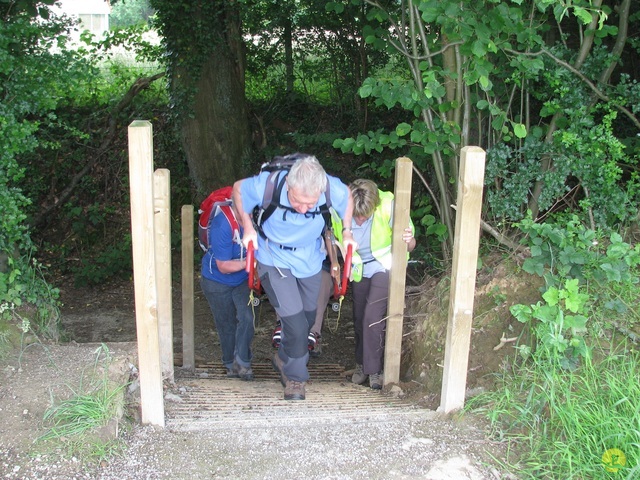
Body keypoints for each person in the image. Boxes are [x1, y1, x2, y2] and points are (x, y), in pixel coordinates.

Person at [233, 153, 355, 400]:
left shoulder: (330, 188)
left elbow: (348, 198)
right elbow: (238, 189)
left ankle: (283, 359)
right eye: (298, 201)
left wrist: (347, 230)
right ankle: (296, 378)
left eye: (310, 204)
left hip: (309, 259)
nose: (303, 209)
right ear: (288, 185)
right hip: (273, 258)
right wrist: (247, 225)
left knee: (308, 321)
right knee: (297, 326)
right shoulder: (269, 184)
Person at [338, 179, 416, 390]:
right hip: (359, 268)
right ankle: (362, 364)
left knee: (372, 317)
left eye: (366, 215)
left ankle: (375, 370)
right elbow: (332, 236)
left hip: (385, 266)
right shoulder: (340, 208)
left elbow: (411, 245)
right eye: (357, 216)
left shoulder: (389, 206)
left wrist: (407, 238)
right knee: (359, 316)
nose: (361, 220)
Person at [200, 203, 255, 381]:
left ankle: (243, 362)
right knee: (226, 323)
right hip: (216, 280)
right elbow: (223, 266)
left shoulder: (255, 219)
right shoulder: (222, 223)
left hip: (241, 280)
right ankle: (230, 363)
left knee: (247, 317)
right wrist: (250, 263)